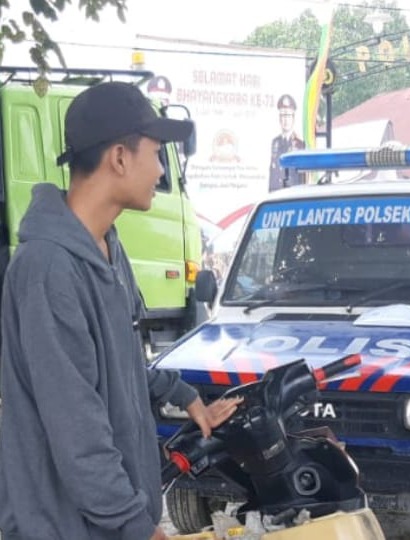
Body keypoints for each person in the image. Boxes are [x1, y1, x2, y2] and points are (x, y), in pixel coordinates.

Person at [0, 81, 243, 540]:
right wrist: (137, 526)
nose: (159, 172)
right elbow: (78, 433)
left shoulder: (108, 249)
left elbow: (120, 363)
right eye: (155, 154)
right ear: (118, 157)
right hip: (60, 527)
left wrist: (187, 397)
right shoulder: (49, 269)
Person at [268, 94, 305, 192]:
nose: (286, 120)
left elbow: (302, 176)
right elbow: (273, 173)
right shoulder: (275, 142)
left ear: (293, 118)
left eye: (288, 116)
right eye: (283, 116)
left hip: (293, 195)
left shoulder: (300, 144)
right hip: (276, 195)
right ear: (279, 118)